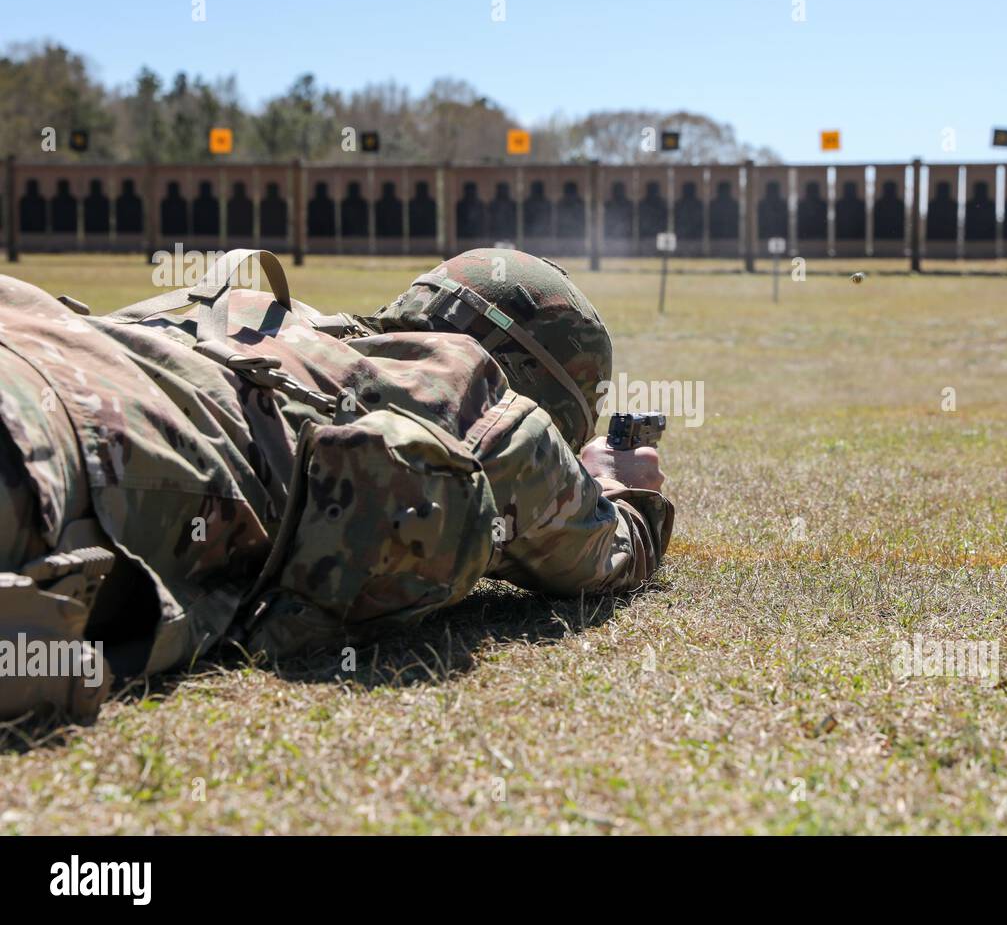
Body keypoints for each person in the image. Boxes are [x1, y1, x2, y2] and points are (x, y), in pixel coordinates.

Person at [0, 248, 672, 722]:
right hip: (59, 449)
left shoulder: (249, 306)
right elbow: (601, 553)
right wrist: (620, 488)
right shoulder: (461, 385)